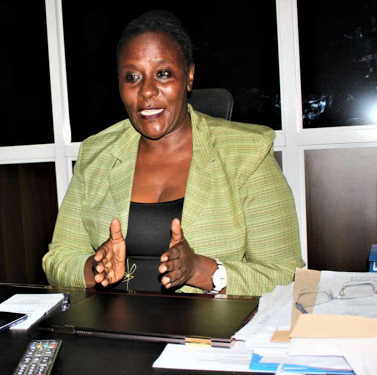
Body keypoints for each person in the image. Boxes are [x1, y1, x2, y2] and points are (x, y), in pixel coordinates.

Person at [42, 10, 304, 296]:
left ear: (189, 77)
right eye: (132, 77)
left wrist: (200, 270)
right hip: (116, 330)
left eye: (163, 74)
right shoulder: (97, 155)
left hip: (205, 335)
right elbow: (57, 260)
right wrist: (96, 268)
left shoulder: (247, 153)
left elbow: (285, 275)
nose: (147, 91)